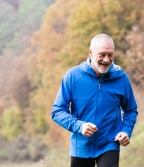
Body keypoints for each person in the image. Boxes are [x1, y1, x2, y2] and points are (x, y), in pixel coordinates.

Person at [51, 33, 138, 167]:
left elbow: (131, 110)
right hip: (81, 146)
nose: (107, 59)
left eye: (110, 55)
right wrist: (79, 126)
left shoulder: (121, 78)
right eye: (102, 54)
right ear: (91, 53)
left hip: (110, 143)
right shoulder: (73, 76)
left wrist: (126, 130)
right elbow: (57, 111)